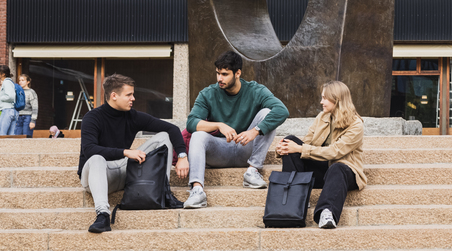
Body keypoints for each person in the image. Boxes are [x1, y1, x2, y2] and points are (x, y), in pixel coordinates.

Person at [78, 73, 189, 234]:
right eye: (129, 94)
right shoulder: (92, 118)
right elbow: (89, 150)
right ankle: (103, 215)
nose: (133, 98)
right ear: (114, 96)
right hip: (96, 175)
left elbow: (171, 128)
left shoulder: (132, 116)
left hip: (123, 171)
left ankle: (164, 193)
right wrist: (125, 152)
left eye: (133, 94)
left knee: (163, 137)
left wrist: (182, 156)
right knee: (96, 159)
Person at [183, 50, 289, 209]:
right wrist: (219, 125)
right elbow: (191, 123)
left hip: (245, 148)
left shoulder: (255, 90)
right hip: (218, 151)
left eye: (225, 74)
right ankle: (197, 191)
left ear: (238, 73)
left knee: (267, 114)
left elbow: (282, 111)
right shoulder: (208, 94)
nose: (220, 78)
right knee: (198, 135)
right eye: (218, 73)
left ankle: (252, 171)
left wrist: (255, 131)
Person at [276, 81, 365, 229]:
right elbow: (307, 142)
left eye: (325, 98)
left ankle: (327, 212)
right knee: (290, 140)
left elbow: (334, 152)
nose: (321, 102)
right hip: (323, 170)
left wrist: (299, 149)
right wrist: (283, 148)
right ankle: (295, 198)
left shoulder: (356, 125)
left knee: (337, 167)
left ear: (336, 100)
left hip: (345, 172)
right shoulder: (322, 117)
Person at [0, 65, 17, 136]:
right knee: (10, 136)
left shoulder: (6, 82)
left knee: (2, 134)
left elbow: (10, 96)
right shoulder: (10, 82)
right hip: (12, 110)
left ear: (3, 74)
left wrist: (0, 97)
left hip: (7, 110)